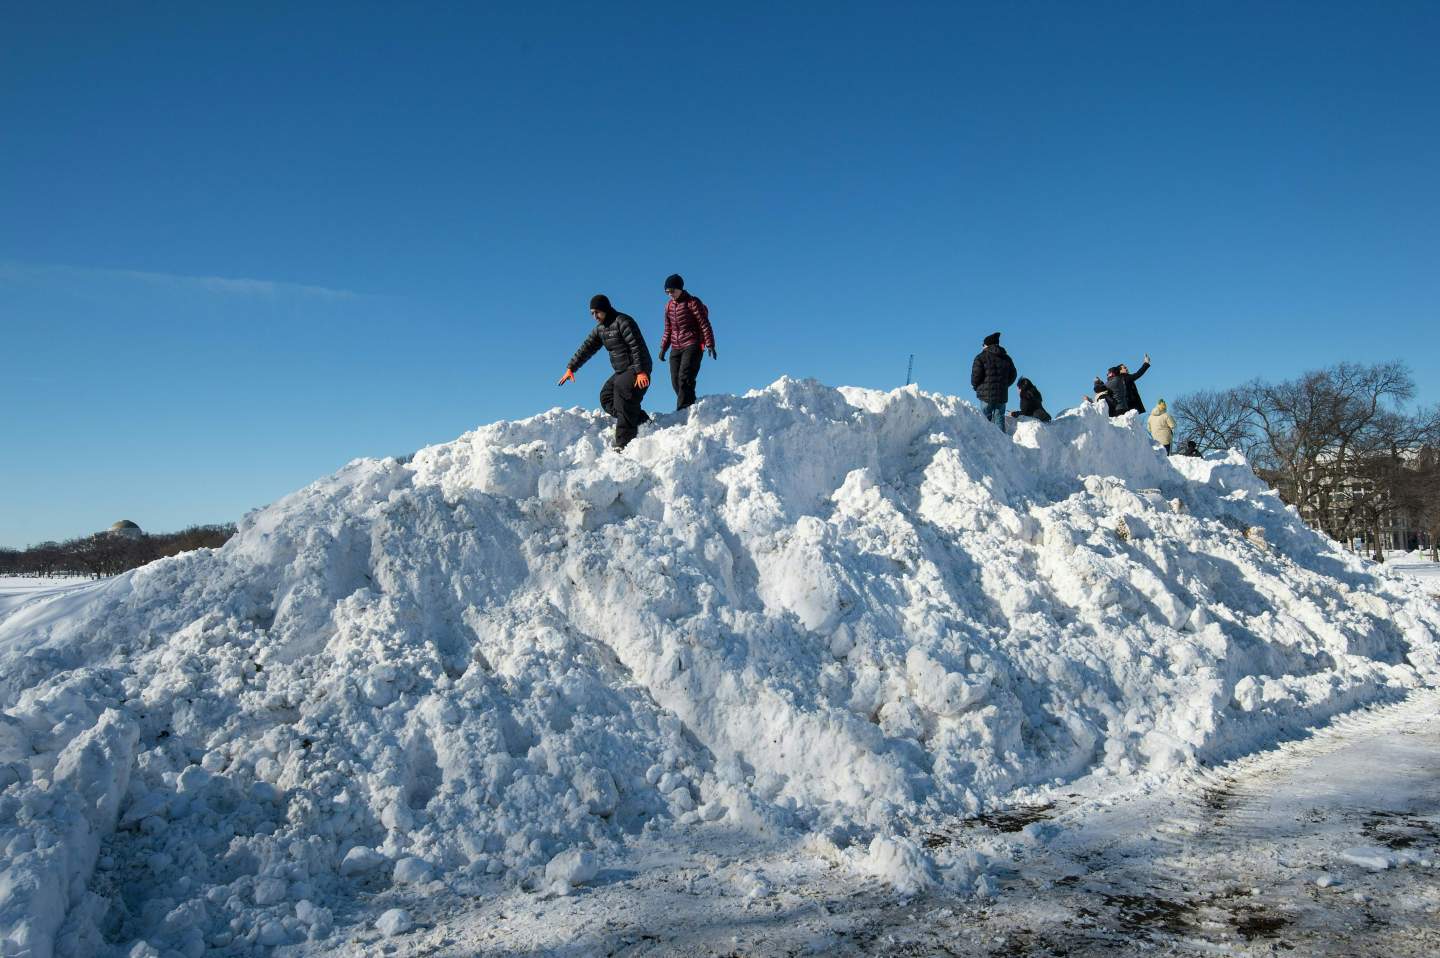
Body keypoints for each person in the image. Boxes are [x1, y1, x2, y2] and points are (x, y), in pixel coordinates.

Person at [558, 295, 653, 450]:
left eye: (597, 312)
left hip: (637, 368)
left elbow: (637, 346)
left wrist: (641, 371)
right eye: (592, 313)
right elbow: (586, 348)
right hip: (621, 371)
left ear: (605, 309)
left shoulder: (624, 322)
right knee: (606, 396)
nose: (595, 316)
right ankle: (639, 418)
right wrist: (571, 368)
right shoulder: (600, 330)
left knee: (622, 392)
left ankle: (623, 442)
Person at [657, 274, 716, 411]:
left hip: (692, 344)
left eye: (672, 291)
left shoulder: (693, 302)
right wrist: (663, 348)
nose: (670, 294)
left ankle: (683, 410)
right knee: (675, 381)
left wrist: (710, 343)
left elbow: (704, 323)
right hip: (676, 347)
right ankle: (691, 405)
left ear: (680, 289)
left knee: (685, 377)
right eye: (667, 292)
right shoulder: (668, 307)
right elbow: (668, 328)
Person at [971, 332, 1017, 430]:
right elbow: (1013, 374)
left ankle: (985, 442)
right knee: (999, 419)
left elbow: (976, 375)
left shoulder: (980, 357)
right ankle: (1002, 443)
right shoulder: (1006, 358)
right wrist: (1005, 385)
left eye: (983, 344)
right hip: (1001, 394)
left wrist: (975, 386)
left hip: (985, 395)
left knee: (985, 421)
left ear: (986, 345)